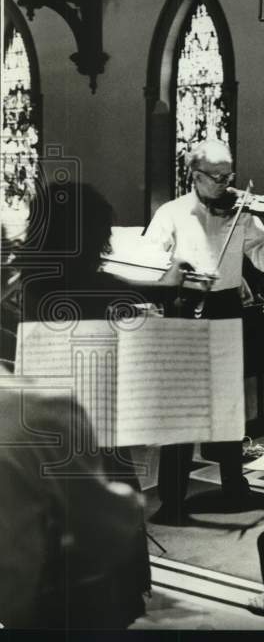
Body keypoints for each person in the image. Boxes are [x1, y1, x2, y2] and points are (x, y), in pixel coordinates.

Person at [0, 181, 179, 628]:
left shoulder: (31, 280)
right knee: (108, 511)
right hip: (91, 418)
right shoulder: (94, 286)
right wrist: (156, 299)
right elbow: (109, 292)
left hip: (37, 426)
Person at [144, 138, 264, 523]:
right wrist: (178, 270)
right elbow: (149, 265)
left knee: (228, 403)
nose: (225, 184)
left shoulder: (242, 211)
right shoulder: (172, 213)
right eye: (216, 177)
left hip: (226, 305)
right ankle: (173, 500)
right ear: (194, 175)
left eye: (228, 175)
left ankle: (235, 486)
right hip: (184, 308)